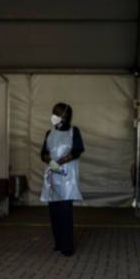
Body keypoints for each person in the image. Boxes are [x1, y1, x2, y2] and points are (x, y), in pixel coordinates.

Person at [40, 102, 84, 256]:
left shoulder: (74, 132)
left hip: (67, 177)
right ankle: (58, 242)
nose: (53, 116)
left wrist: (59, 162)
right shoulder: (49, 133)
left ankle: (67, 245)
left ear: (65, 116)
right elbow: (43, 153)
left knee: (65, 211)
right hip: (52, 177)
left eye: (56, 113)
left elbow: (77, 150)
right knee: (54, 211)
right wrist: (50, 161)